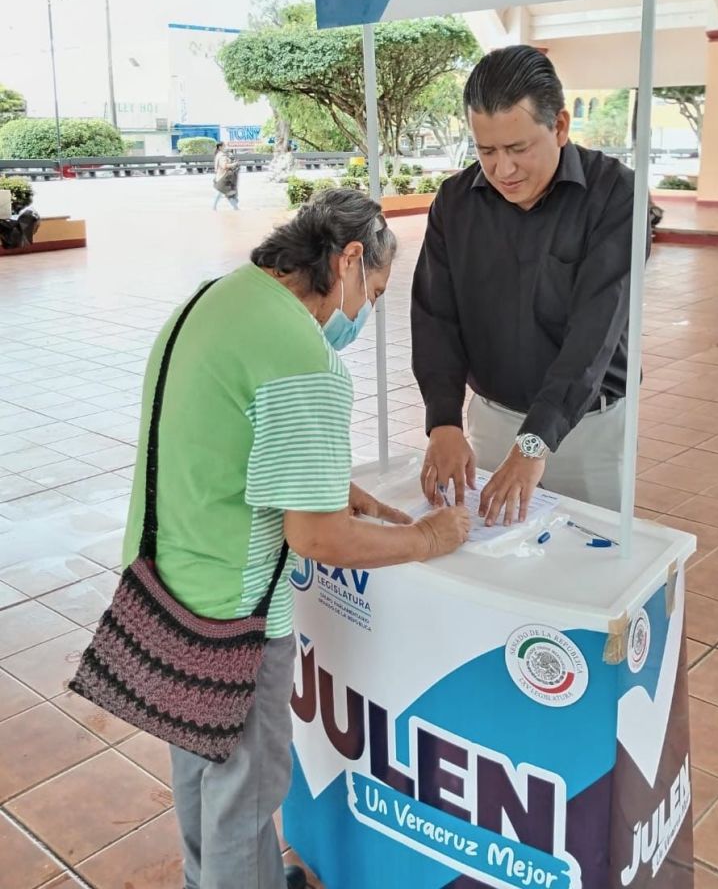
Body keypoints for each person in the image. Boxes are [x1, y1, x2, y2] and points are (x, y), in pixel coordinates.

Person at [122, 188, 470, 889]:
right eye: (374, 290)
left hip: (161, 580)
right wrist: (430, 537)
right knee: (244, 794)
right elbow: (317, 538)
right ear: (347, 260)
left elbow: (223, 434)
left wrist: (331, 485)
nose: (366, 311)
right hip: (235, 615)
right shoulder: (304, 357)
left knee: (201, 769)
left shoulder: (215, 299)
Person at [411, 45, 650, 524]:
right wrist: (443, 422)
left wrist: (535, 442)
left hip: (587, 429)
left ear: (559, 126)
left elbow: (594, 335)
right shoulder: (455, 203)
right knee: (492, 552)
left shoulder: (616, 196)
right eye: (487, 151)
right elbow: (436, 317)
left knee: (588, 554)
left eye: (518, 149)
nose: (503, 170)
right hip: (494, 419)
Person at [212, 141, 240, 211]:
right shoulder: (222, 156)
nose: (225, 147)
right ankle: (235, 208)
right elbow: (224, 166)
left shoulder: (218, 154)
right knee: (225, 193)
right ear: (220, 147)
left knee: (225, 193)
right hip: (223, 177)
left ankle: (235, 208)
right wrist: (234, 164)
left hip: (220, 176)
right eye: (224, 146)